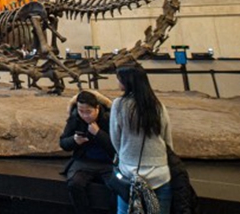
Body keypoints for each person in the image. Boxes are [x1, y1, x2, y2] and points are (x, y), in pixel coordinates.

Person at [109, 65, 173, 214]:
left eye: (119, 80)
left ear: (127, 82)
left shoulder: (119, 105)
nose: (117, 83)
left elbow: (115, 138)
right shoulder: (158, 105)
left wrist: (125, 154)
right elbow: (167, 138)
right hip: (160, 173)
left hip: (129, 173)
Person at [60, 90, 116, 214]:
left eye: (88, 112)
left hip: (108, 162)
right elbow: (63, 143)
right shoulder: (75, 118)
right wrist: (74, 141)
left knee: (117, 186)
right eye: (81, 111)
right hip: (84, 161)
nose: (85, 116)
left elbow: (116, 147)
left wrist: (98, 134)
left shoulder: (109, 119)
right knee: (74, 184)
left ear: (97, 108)